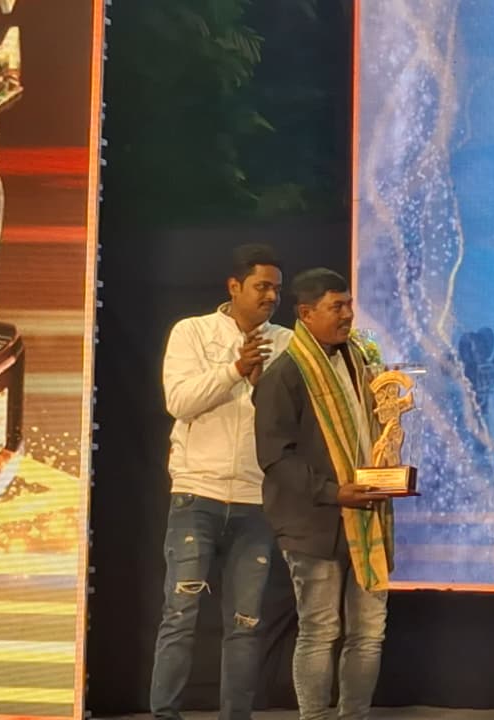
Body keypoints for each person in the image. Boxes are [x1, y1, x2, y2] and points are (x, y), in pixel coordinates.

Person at [151, 244, 290, 720]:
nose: (271, 296)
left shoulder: (288, 343)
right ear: (234, 287)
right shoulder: (192, 332)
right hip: (197, 495)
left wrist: (261, 384)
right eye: (262, 286)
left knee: (246, 623)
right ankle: (165, 714)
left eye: (276, 289)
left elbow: (292, 421)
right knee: (180, 615)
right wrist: (234, 370)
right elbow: (179, 401)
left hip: (255, 499)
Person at [253, 268, 394, 720]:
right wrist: (334, 493)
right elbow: (275, 458)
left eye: (349, 304)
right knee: (320, 631)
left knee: (369, 633)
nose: (348, 315)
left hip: (367, 515)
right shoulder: (285, 374)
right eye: (337, 307)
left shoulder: (360, 362)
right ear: (306, 313)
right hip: (313, 523)